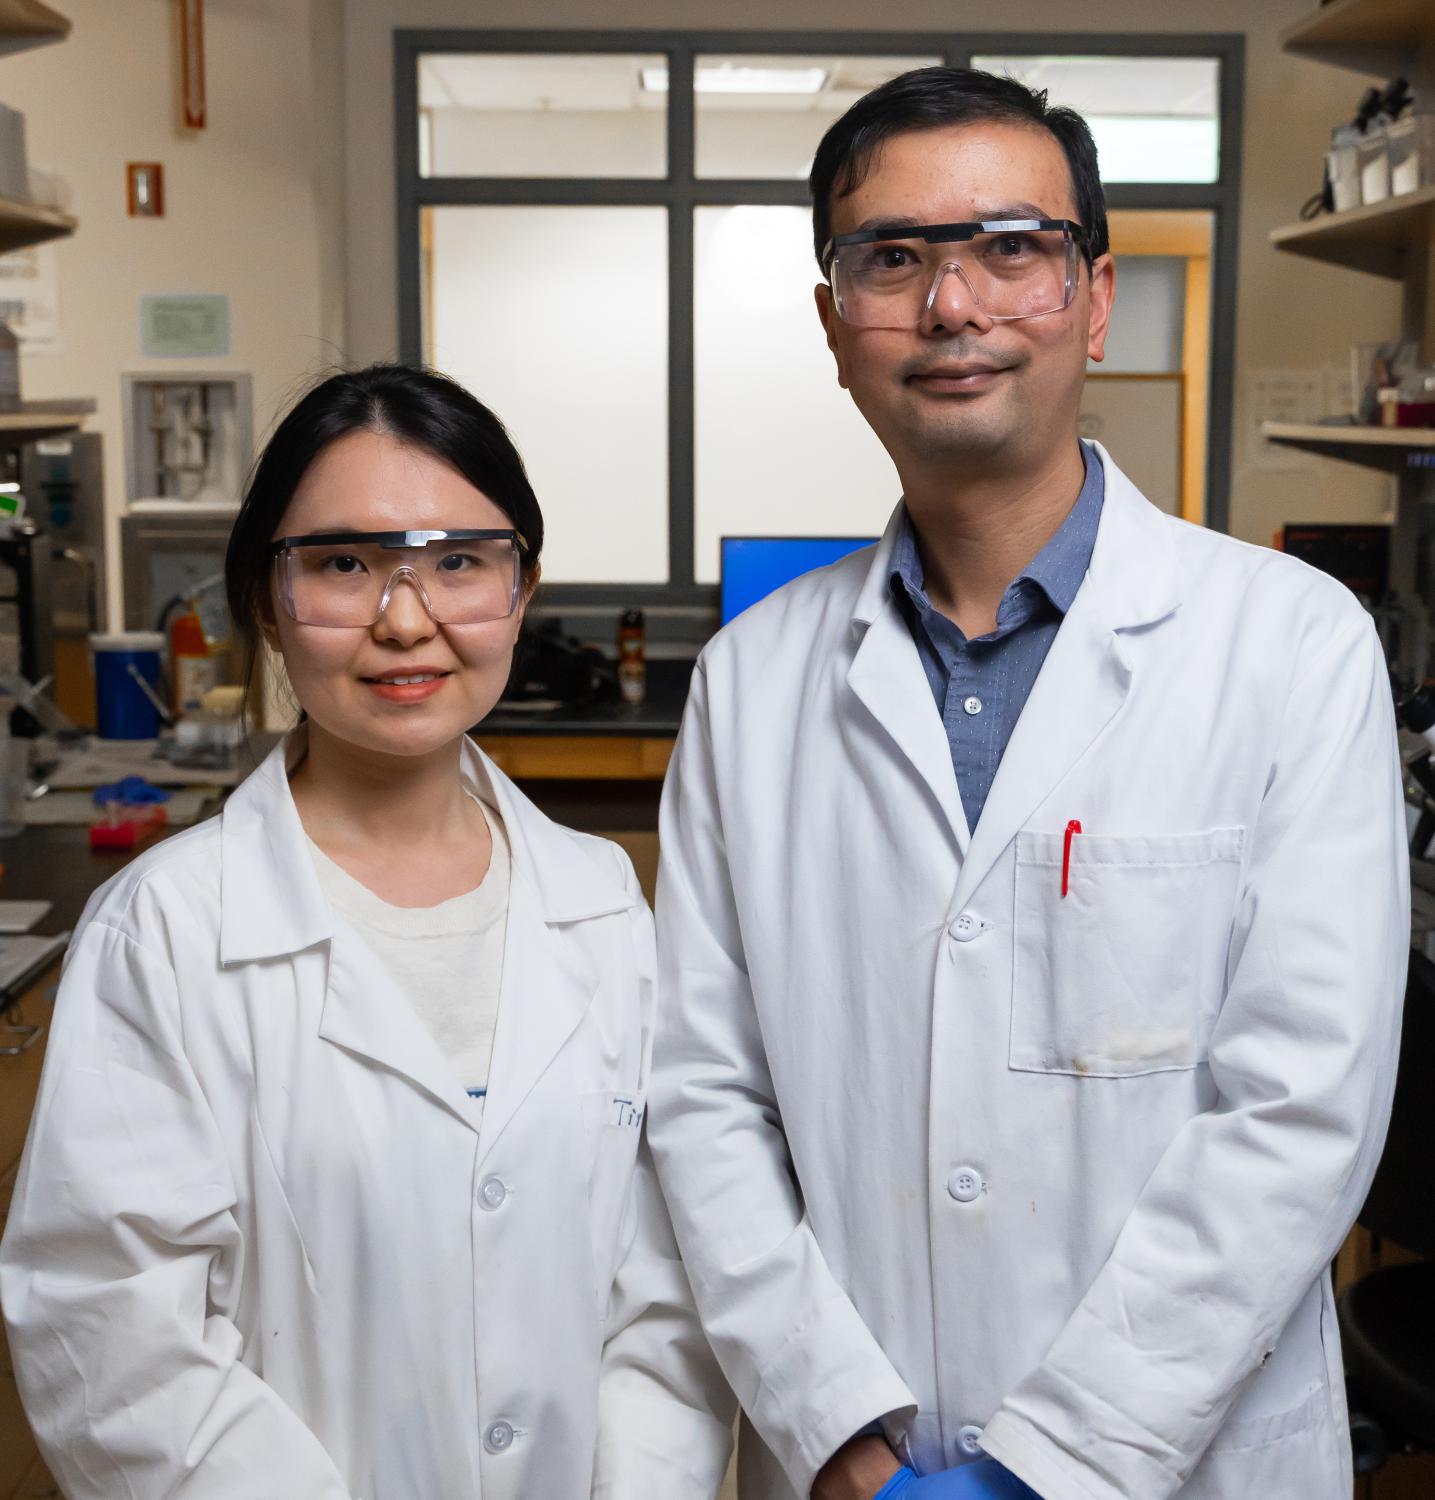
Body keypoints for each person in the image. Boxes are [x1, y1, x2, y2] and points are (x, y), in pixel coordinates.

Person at [648, 66, 1407, 1500]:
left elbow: (1295, 1113)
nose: (952, 305)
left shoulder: (1286, 645)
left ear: (1093, 295)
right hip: (850, 1461)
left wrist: (1047, 1465)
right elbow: (701, 1095)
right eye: (892, 257)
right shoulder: (752, 686)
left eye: (1012, 247)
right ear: (832, 321)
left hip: (1186, 1459)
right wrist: (833, 1430)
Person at [0, 364, 734, 1500]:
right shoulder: (168, 933)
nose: (407, 620)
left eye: (458, 563)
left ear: (522, 589)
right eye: (345, 563)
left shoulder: (603, 904)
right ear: (263, 599)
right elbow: (115, 1341)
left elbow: (664, 1291)